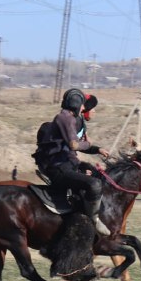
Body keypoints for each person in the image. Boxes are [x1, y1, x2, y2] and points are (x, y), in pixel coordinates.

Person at [40, 88, 110, 236]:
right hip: (59, 167)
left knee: (96, 178)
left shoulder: (71, 118)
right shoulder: (65, 118)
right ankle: (94, 221)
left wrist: (96, 149)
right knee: (94, 184)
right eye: (83, 105)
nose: (85, 108)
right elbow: (74, 145)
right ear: (76, 104)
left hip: (66, 164)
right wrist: (90, 145)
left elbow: (75, 145)